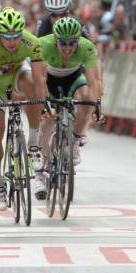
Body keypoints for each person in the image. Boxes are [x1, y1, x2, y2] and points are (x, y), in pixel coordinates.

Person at [0, 7, 48, 211]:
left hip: (18, 77)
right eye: (6, 37)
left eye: (15, 36)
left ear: (22, 33)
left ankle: (33, 143)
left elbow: (39, 78)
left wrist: (44, 104)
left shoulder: (31, 42)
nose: (11, 41)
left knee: (31, 85)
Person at [34, 17, 102, 200]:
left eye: (72, 42)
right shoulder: (42, 45)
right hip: (49, 80)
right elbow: (39, 80)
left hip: (73, 79)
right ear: (55, 39)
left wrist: (96, 106)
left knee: (87, 99)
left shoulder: (87, 47)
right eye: (62, 43)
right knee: (48, 117)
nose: (67, 47)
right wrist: (44, 103)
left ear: (78, 40)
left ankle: (74, 142)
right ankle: (39, 169)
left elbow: (94, 80)